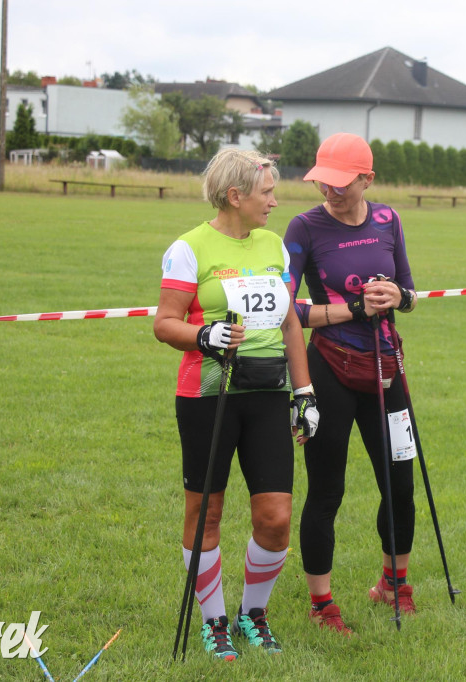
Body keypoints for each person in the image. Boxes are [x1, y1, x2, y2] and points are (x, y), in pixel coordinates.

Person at [154, 148, 319, 661]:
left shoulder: (273, 244)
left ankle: (254, 613)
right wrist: (205, 334)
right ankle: (214, 620)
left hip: (268, 395)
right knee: (207, 511)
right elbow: (165, 323)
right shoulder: (189, 248)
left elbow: (291, 322)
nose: (274, 200)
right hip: (208, 395)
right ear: (236, 196)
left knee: (275, 517)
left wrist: (305, 392)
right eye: (267, 191)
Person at [284, 133, 419, 636]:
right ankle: (322, 606)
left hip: (385, 368)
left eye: (341, 182)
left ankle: (394, 584)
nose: (330, 190)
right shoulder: (304, 227)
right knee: (326, 491)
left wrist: (397, 295)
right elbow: (286, 309)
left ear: (367, 179)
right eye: (323, 180)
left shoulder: (388, 220)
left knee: (400, 486)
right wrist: (354, 308)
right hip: (330, 370)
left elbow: (410, 291)